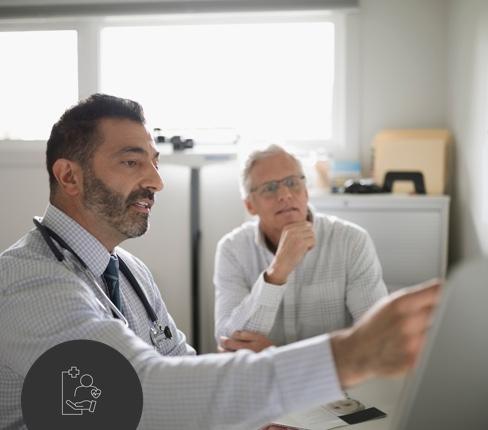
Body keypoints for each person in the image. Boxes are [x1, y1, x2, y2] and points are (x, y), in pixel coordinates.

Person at [0, 94, 440, 430]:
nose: (156, 181)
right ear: (69, 176)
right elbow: (137, 392)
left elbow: (182, 365)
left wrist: (247, 416)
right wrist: (347, 354)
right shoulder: (28, 279)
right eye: (132, 161)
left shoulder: (132, 272)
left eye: (153, 163)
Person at [215, 145, 387, 353]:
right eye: (269, 188)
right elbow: (229, 341)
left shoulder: (351, 241)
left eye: (292, 183)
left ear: (305, 192)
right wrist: (277, 272)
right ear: (250, 205)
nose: (285, 195)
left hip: (331, 383)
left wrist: (277, 356)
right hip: (261, 382)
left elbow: (378, 336)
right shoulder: (232, 249)